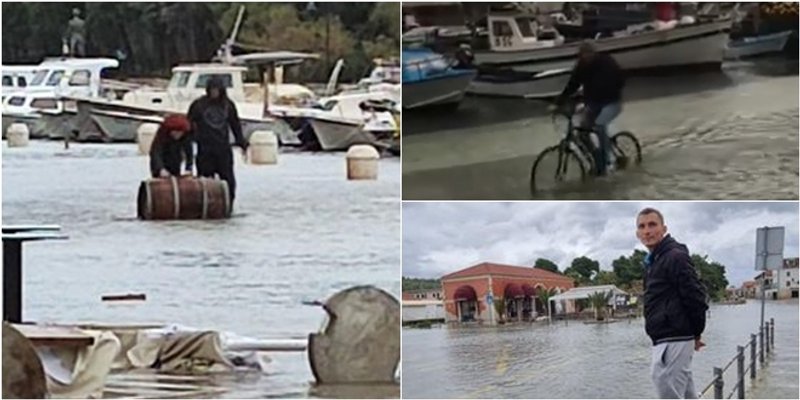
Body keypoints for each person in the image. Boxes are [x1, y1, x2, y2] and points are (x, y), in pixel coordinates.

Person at [636, 207, 708, 399]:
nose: (647, 231)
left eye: (652, 225)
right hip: (667, 335)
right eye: (642, 226)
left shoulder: (674, 257)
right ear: (637, 234)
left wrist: (696, 333)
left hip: (674, 335)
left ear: (664, 229)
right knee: (685, 392)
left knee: (667, 388)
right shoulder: (654, 261)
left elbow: (695, 297)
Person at [554, 41, 625, 176]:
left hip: (612, 102)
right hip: (593, 103)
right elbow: (573, 84)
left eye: (587, 54)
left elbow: (620, 80)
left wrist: (608, 92)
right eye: (582, 55)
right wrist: (559, 101)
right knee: (582, 133)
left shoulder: (606, 62)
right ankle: (597, 159)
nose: (585, 58)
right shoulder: (581, 66)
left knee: (600, 126)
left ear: (593, 53)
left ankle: (606, 162)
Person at [187, 76, 248, 205]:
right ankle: (205, 206)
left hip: (223, 149)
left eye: (217, 89)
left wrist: (242, 143)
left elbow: (235, 125)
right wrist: (188, 143)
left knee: (228, 181)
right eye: (212, 89)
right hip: (205, 149)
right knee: (204, 182)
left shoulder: (228, 105)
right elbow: (188, 124)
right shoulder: (198, 105)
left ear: (221, 90)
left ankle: (228, 204)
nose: (214, 92)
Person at [149, 114, 193, 178]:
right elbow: (156, 153)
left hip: (175, 160)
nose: (177, 135)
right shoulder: (162, 136)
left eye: (180, 133)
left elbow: (189, 152)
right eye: (175, 132)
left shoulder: (185, 137)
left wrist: (188, 168)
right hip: (162, 160)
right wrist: (160, 169)